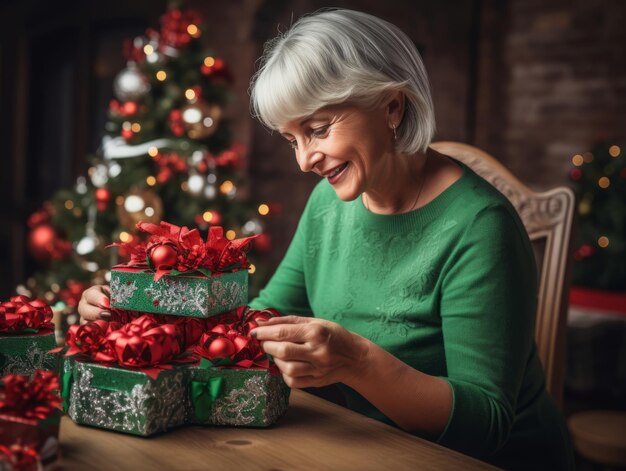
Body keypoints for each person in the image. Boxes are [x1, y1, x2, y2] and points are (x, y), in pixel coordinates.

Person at [79, 8, 574, 470]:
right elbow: (267, 314)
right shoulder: (328, 203)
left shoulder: (481, 226)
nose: (304, 161)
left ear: (392, 107)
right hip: (355, 442)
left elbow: (485, 426)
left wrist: (356, 363)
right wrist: (146, 319)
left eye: (318, 129)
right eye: (292, 139)